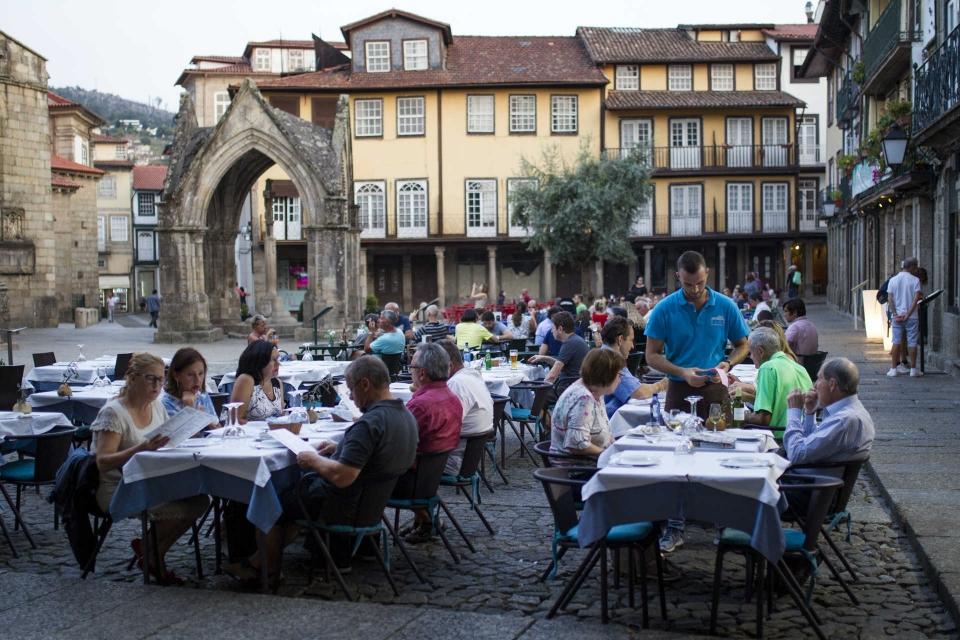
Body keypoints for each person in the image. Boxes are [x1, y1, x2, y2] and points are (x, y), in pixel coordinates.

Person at [225, 356, 418, 582]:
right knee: (290, 495)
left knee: (273, 499)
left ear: (365, 384)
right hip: (369, 504)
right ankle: (260, 559)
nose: (351, 398)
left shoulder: (369, 423)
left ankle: (265, 569)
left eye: (351, 389)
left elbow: (343, 475)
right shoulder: (405, 415)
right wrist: (341, 447)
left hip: (341, 504)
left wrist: (313, 460)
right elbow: (377, 454)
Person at [645, 251, 749, 554]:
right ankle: (675, 527)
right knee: (677, 459)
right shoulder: (665, 309)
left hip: (717, 389)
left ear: (708, 274)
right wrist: (681, 372)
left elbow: (744, 345)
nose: (694, 290)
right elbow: (652, 355)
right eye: (689, 284)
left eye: (700, 283)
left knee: (719, 455)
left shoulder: (725, 306)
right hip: (680, 390)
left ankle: (722, 523)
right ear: (679, 276)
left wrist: (727, 365)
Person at [90, 353, 208, 585]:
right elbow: (102, 461)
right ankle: (154, 556)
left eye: (160, 380)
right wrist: (141, 448)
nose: (157, 385)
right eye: (150, 379)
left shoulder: (156, 406)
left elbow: (165, 441)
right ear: (132, 378)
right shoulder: (114, 412)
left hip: (152, 479)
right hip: (120, 486)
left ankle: (150, 551)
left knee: (200, 500)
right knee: (189, 505)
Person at [396, 343, 463, 543]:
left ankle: (360, 539)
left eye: (412, 367)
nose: (411, 371)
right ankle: (425, 520)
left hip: (411, 481)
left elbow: (396, 445)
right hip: (431, 477)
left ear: (422, 374)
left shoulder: (420, 405)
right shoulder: (452, 398)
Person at [784, 357, 875, 464]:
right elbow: (811, 443)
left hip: (811, 478)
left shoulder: (843, 420)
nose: (815, 385)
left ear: (832, 384)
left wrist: (794, 412)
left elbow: (796, 454)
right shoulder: (852, 411)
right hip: (819, 474)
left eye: (819, 379)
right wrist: (810, 413)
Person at [549, 348, 622, 462]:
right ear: (606, 375)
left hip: (590, 464)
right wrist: (609, 454)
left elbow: (604, 434)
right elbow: (576, 445)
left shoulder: (595, 391)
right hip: (576, 471)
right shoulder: (584, 399)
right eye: (618, 374)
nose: (620, 379)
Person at [436, 340, 494, 474]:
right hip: (471, 456)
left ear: (448, 365)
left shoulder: (456, 384)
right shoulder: (471, 375)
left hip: (455, 460)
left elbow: (445, 428)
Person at [739, 327, 812, 429]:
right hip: (802, 433)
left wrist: (739, 416)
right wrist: (749, 397)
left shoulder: (767, 368)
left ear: (760, 351)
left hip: (780, 436)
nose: (751, 357)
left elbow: (762, 419)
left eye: (751, 352)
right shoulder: (799, 368)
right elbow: (779, 404)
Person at [600, 316, 668, 417]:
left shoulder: (604, 354)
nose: (632, 346)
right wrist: (662, 384)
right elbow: (639, 392)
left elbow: (635, 386)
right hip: (609, 422)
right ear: (620, 339)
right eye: (631, 340)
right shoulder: (610, 360)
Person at [529, 311, 591, 398]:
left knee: (534, 394)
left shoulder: (569, 343)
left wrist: (538, 389)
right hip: (576, 387)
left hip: (567, 390)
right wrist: (543, 358)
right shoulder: (575, 340)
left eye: (553, 328)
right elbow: (560, 363)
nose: (551, 331)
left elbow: (552, 375)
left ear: (560, 329)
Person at [160, 347, 218, 426]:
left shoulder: (202, 395)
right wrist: (190, 409)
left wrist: (209, 423)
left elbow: (216, 426)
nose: (197, 380)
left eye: (201, 374)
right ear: (176, 375)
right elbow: (181, 436)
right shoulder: (166, 403)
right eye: (190, 375)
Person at [886, 257, 923, 378]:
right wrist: (908, 314)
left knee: (896, 341)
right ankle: (913, 369)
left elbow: (890, 299)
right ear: (911, 267)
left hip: (897, 317)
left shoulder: (893, 280)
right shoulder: (915, 280)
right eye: (916, 267)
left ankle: (893, 369)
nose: (916, 269)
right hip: (912, 317)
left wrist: (895, 314)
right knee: (912, 341)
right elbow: (916, 299)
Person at [230, 340, 284, 423]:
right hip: (250, 434)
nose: (278, 364)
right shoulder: (246, 380)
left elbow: (282, 416)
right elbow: (236, 419)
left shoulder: (277, 383)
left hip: (274, 433)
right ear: (260, 361)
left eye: (278, 359)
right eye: (273, 360)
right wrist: (266, 428)